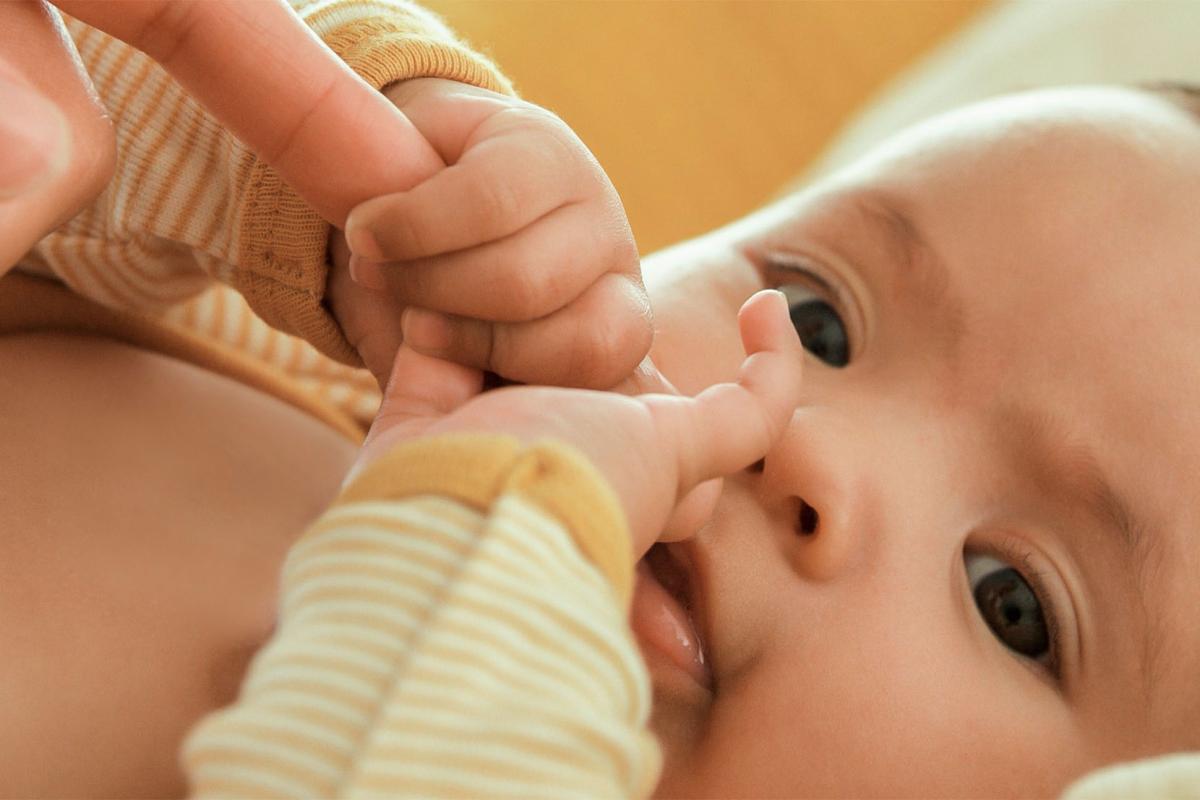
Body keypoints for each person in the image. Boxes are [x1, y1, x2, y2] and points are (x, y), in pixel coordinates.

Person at [3, 5, 1199, 800]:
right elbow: (108, 85)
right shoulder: (303, 383)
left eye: (1014, 602)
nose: (810, 452)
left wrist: (489, 543)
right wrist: (350, 181)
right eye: (819, 317)